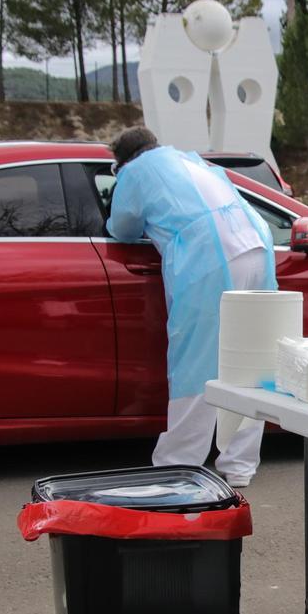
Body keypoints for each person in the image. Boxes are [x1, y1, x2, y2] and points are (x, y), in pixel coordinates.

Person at [106, 127, 276, 487]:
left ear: (123, 160)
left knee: (197, 363)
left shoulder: (136, 172)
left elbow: (122, 228)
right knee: (248, 364)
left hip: (210, 258)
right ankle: (240, 466)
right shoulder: (189, 159)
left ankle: (179, 465)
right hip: (257, 248)